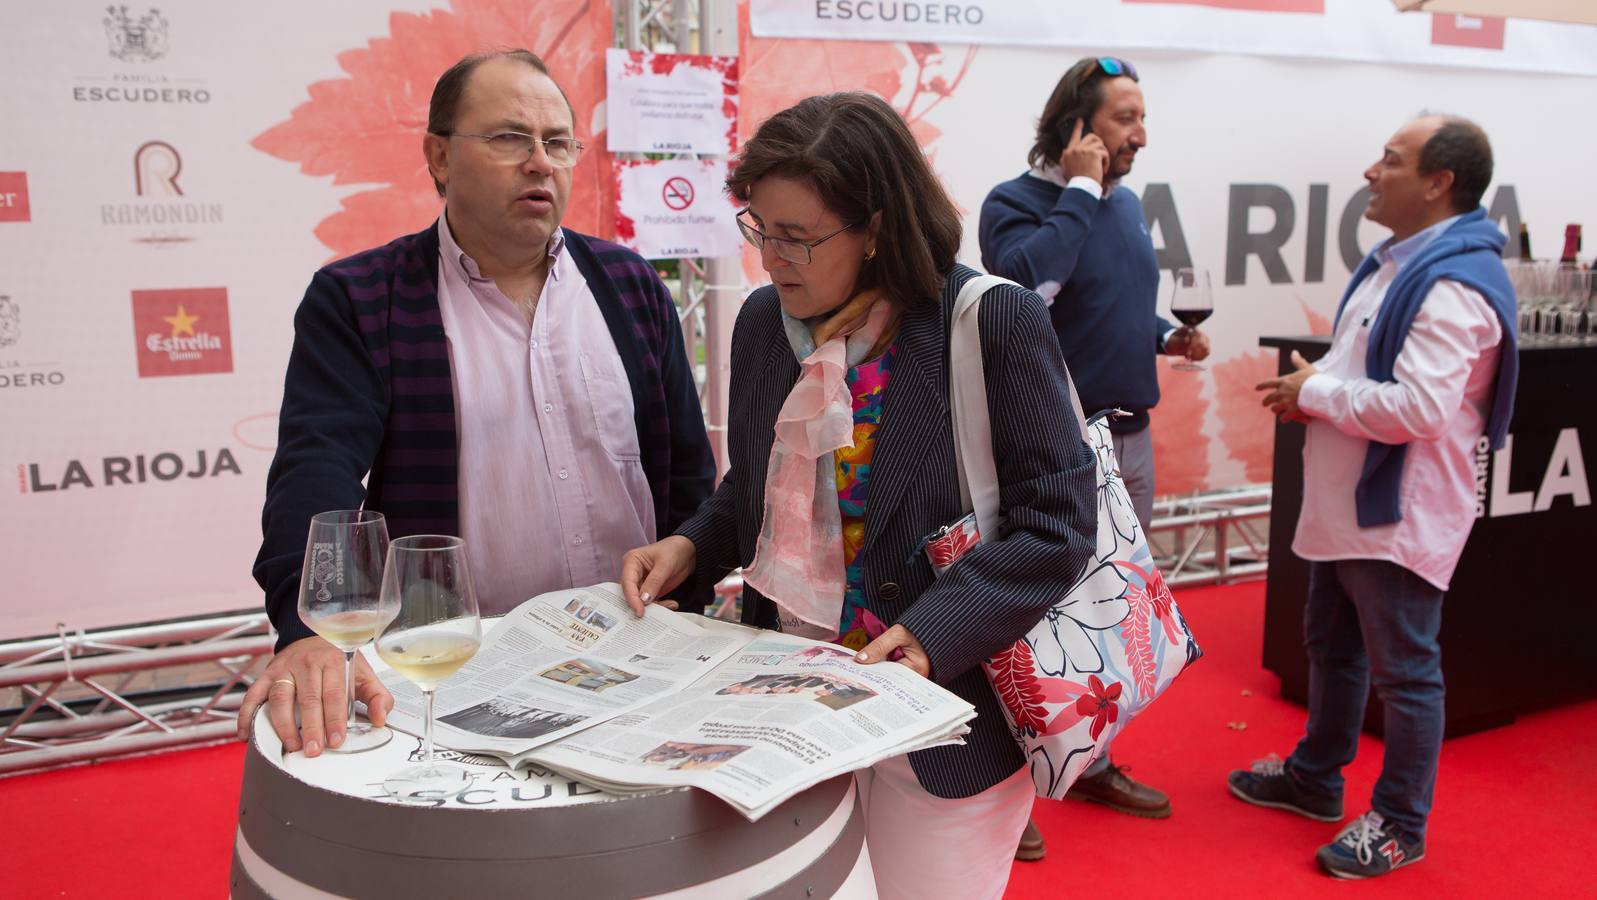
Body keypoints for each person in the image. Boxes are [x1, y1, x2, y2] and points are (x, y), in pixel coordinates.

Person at [619, 92, 1097, 900]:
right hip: (789, 703)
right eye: (757, 229)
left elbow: (1056, 521)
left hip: (944, 709)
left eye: (797, 238)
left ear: (876, 227)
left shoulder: (985, 321)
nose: (770, 259)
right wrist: (694, 543)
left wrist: (929, 630)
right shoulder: (765, 323)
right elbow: (761, 480)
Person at [236, 50, 715, 757]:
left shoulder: (631, 285)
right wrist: (308, 630)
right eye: (508, 138)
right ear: (437, 156)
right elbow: (316, 474)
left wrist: (691, 599)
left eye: (557, 142)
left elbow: (686, 472)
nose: (539, 162)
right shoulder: (362, 300)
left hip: (637, 657)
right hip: (456, 675)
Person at [1237, 115, 1517, 880]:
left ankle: (1399, 822)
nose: (1370, 171)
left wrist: (1319, 390)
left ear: (1437, 183)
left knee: (1404, 672)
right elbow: (1366, 367)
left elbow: (1422, 410)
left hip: (1398, 513)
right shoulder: (1401, 261)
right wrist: (1314, 388)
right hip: (1353, 503)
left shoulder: (1454, 283)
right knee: (1330, 645)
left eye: (1389, 161)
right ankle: (1315, 777)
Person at [977, 54, 1198, 849]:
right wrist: (1076, 188)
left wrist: (1169, 335)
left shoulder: (1126, 203)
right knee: (1032, 614)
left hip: (1128, 437)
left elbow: (1112, 305)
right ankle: (1006, 793)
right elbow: (1027, 290)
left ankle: (1093, 761)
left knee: (1108, 611)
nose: (1140, 134)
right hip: (1054, 450)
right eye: (1123, 118)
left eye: (1141, 117)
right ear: (1075, 126)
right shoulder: (1016, 204)